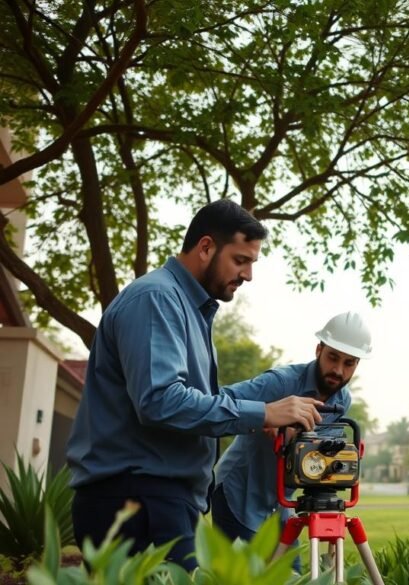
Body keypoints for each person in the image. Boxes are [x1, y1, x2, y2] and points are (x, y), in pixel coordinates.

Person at [66, 199, 323, 570]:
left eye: (253, 263)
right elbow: (160, 400)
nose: (249, 274)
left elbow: (196, 400)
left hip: (158, 499)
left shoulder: (187, 307)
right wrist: (263, 410)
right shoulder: (157, 298)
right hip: (136, 501)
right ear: (206, 247)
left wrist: (264, 414)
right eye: (240, 260)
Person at [211, 312, 372, 567]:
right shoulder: (281, 382)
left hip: (281, 503)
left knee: (291, 574)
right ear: (318, 350)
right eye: (333, 357)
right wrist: (265, 417)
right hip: (238, 493)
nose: (338, 371)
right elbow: (220, 400)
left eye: (349, 363)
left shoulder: (342, 401)